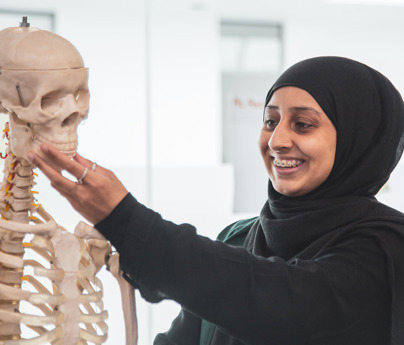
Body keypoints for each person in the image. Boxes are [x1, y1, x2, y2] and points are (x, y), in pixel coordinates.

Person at [28, 56, 404, 345]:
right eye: (271, 121)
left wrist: (125, 220)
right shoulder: (240, 237)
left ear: (359, 141)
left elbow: (277, 305)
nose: (276, 141)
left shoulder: (384, 249)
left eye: (302, 124)